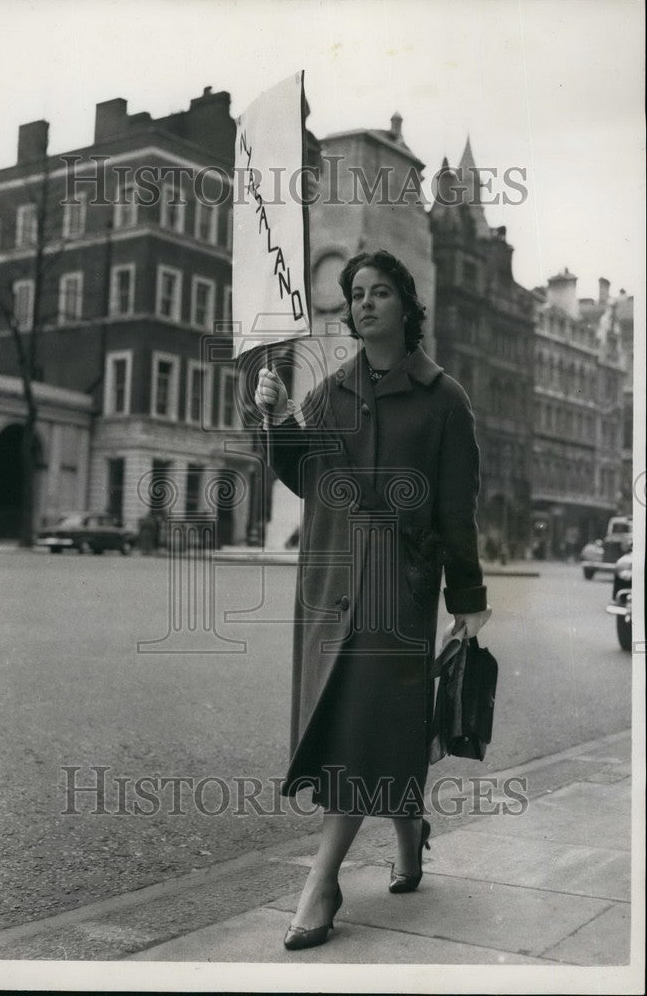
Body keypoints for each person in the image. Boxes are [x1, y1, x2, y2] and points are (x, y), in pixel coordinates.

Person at [254, 249, 491, 951]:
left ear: (406, 305)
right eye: (355, 293)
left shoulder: (444, 398)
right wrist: (274, 419)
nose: (363, 303)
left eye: (379, 291)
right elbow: (306, 475)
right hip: (330, 586)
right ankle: (410, 831)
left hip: (399, 592)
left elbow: (456, 509)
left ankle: (320, 883)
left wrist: (467, 597)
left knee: (361, 730)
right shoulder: (330, 392)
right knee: (366, 724)